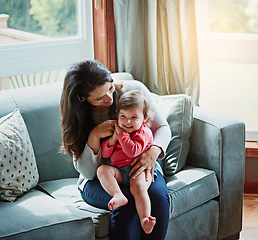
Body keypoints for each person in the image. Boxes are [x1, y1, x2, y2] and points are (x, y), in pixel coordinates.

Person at [60, 60, 171, 240]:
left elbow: (162, 127)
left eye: (110, 88)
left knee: (158, 200)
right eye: (99, 98)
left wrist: (154, 151)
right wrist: (93, 137)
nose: (110, 99)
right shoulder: (77, 118)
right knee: (126, 206)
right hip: (102, 178)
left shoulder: (133, 91)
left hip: (139, 165)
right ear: (82, 98)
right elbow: (88, 173)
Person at [98, 90, 156, 234]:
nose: (127, 121)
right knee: (102, 170)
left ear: (144, 118)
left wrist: (121, 135)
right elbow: (105, 154)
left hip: (139, 170)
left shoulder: (143, 132)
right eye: (123, 116)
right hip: (119, 170)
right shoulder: (119, 131)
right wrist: (113, 139)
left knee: (138, 189)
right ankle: (118, 195)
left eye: (134, 117)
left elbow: (132, 151)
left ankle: (145, 219)